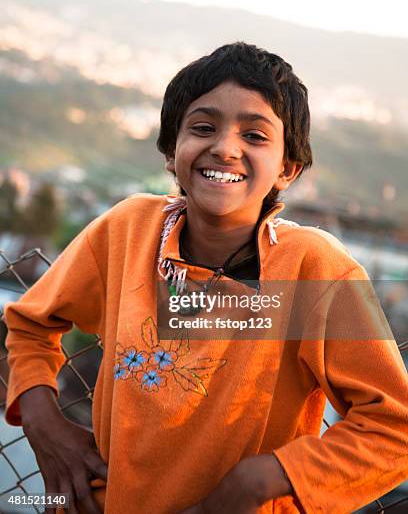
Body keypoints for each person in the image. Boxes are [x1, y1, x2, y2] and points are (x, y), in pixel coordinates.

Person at [4, 42, 408, 514]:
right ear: (171, 154)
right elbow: (29, 324)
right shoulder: (128, 232)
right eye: (202, 128)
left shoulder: (313, 271)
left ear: (287, 169)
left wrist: (260, 481)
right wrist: (44, 423)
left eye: (255, 136)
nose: (225, 147)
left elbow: (394, 427)